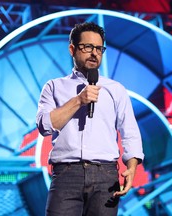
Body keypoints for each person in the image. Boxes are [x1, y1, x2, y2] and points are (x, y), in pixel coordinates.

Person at [36, 22, 144, 216]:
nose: (94, 53)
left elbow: (130, 132)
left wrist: (132, 167)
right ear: (72, 49)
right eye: (87, 47)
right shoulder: (54, 87)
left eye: (99, 49)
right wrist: (79, 100)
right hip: (66, 175)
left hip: (106, 175)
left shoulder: (115, 89)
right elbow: (45, 126)